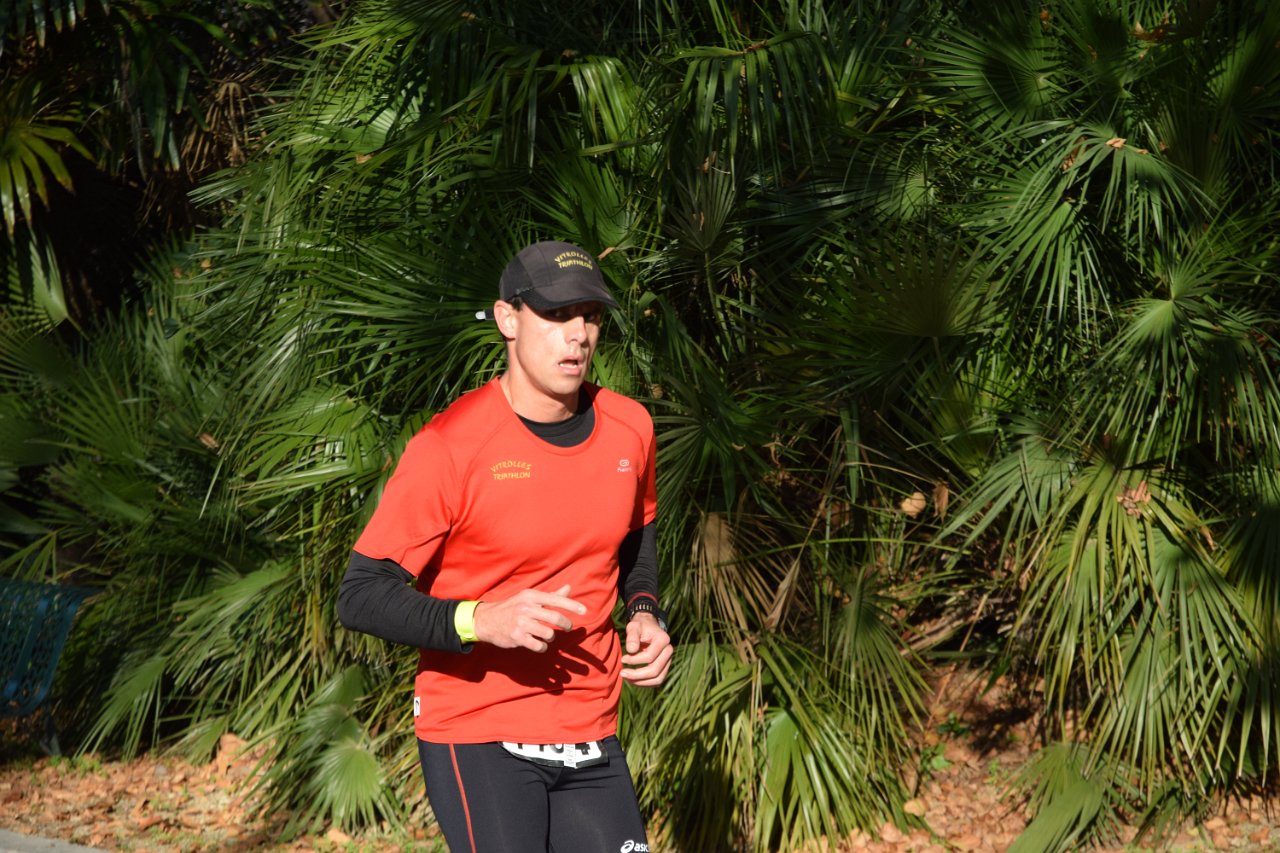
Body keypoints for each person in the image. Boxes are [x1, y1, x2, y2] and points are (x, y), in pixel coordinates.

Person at [337, 240, 672, 853]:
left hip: (590, 724)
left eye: (590, 316)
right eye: (556, 314)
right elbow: (360, 595)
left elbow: (634, 537)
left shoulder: (631, 429)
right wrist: (481, 620)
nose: (578, 335)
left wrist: (646, 611)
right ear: (508, 319)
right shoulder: (451, 446)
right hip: (477, 731)